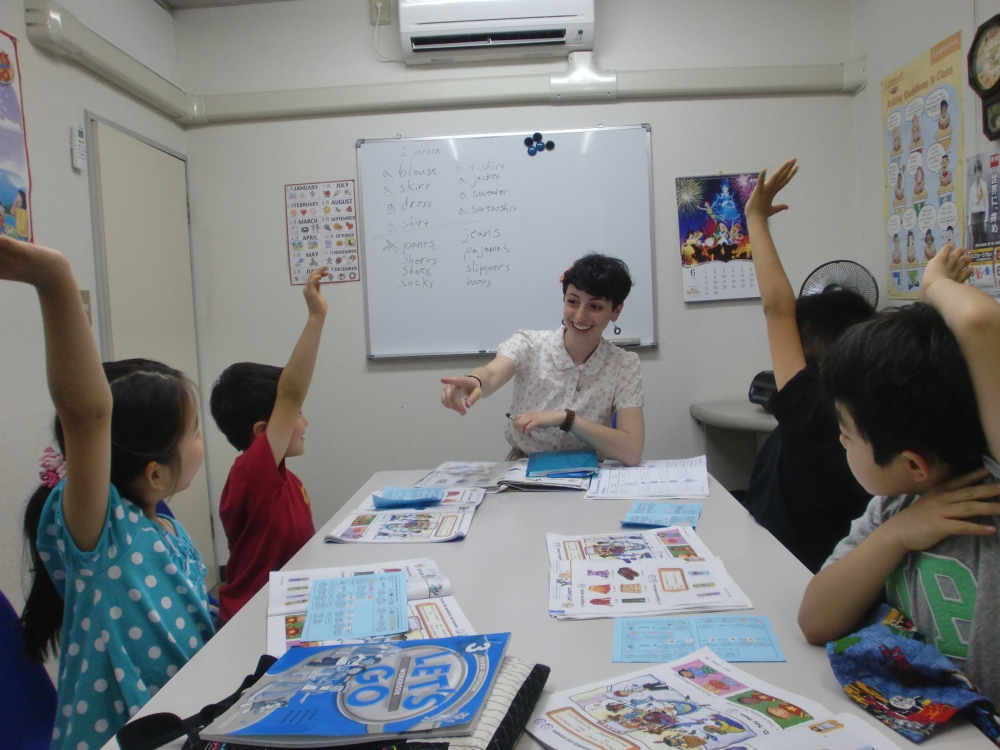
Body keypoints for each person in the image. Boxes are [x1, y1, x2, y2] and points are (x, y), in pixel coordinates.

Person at [5, 236, 214, 750]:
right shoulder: (101, 534)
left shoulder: (162, 524)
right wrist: (54, 280)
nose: (200, 441)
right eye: (192, 432)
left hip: (186, 715)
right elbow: (88, 414)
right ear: (155, 474)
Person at [798, 243, 1000, 704]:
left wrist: (933, 286)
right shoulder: (893, 510)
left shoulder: (991, 492)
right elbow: (815, 619)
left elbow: (980, 323)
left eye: (848, 435)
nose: (841, 443)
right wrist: (896, 536)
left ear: (912, 464)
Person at [740, 159, 874, 573]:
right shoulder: (881, 408)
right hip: (836, 566)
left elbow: (777, 307)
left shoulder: (811, 409)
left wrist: (755, 218)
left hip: (786, 566)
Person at [439, 254, 644, 465]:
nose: (580, 316)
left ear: (616, 311)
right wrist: (475, 380)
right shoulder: (529, 344)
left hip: (588, 473)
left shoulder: (624, 364)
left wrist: (567, 419)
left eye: (595, 307)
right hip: (524, 468)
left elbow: (631, 450)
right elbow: (491, 373)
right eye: (573, 302)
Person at [209, 266, 328, 622]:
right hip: (254, 618)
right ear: (263, 432)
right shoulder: (251, 474)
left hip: (289, 607)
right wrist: (316, 316)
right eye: (297, 415)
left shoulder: (286, 480)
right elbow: (290, 393)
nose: (303, 421)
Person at [967, 159, 988, 247]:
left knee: (983, 239)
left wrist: (986, 220)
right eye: (976, 172)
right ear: (974, 173)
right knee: (975, 241)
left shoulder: (984, 185)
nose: (978, 175)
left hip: (982, 214)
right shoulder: (972, 188)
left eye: (979, 172)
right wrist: (969, 222)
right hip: (974, 216)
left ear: (981, 173)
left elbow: (986, 203)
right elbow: (970, 205)